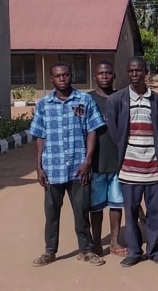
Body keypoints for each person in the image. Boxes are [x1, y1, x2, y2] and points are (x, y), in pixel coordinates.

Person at [30, 62, 105, 267]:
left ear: (71, 76)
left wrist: (87, 161)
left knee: (81, 211)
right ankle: (50, 251)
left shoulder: (84, 100)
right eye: (57, 76)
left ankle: (87, 250)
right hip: (52, 169)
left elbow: (92, 130)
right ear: (52, 79)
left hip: (77, 168)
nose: (62, 78)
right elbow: (40, 136)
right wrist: (39, 166)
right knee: (51, 214)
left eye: (65, 75)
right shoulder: (44, 104)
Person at [106, 56, 158, 267]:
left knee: (155, 211)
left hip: (153, 166)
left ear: (145, 72)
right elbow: (115, 132)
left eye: (139, 70)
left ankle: (153, 249)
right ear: (127, 73)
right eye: (131, 71)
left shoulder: (157, 100)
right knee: (131, 211)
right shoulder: (117, 100)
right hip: (129, 166)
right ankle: (134, 251)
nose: (135, 74)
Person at [87, 60, 127, 257]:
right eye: (100, 73)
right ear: (95, 75)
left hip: (118, 161)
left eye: (108, 73)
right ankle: (95, 243)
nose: (104, 76)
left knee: (116, 203)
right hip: (95, 163)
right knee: (95, 206)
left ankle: (114, 241)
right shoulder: (87, 100)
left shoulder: (122, 98)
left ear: (114, 76)